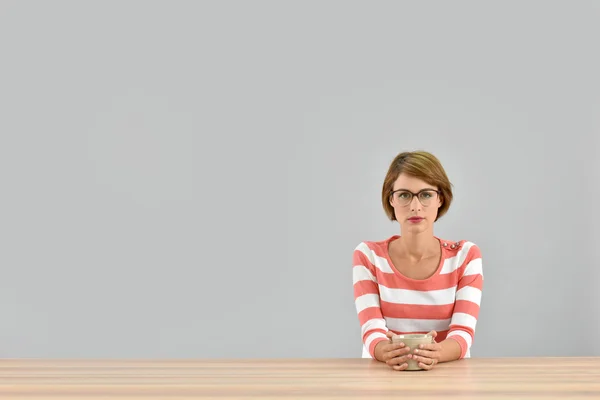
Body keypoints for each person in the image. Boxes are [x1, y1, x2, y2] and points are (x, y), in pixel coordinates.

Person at [352, 150, 483, 371]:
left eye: (425, 194)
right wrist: (386, 351)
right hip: (384, 376)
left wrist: (437, 353)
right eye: (404, 195)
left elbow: (463, 332)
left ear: (440, 198)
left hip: (447, 375)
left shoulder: (465, 256)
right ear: (390, 199)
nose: (415, 206)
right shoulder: (368, 256)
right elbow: (371, 328)